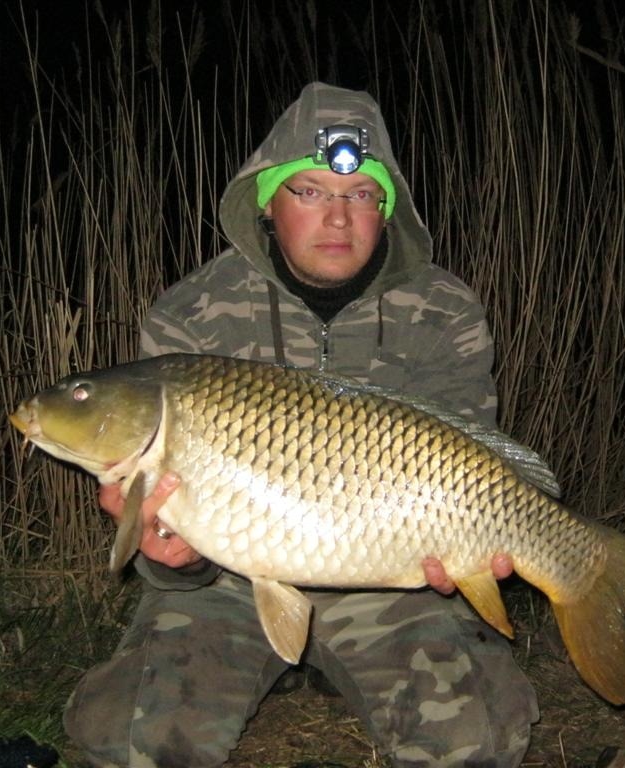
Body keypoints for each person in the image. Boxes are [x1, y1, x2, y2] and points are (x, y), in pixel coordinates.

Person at [64, 82, 544, 767]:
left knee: (476, 738)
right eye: (310, 193)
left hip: (384, 575)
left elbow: (467, 467)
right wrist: (175, 559)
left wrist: (468, 557)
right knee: (135, 739)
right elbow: (171, 544)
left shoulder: (442, 309)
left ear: (387, 208)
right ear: (267, 200)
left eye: (360, 195)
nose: (339, 219)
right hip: (230, 583)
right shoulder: (193, 312)